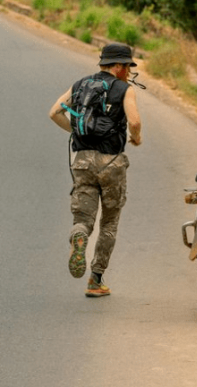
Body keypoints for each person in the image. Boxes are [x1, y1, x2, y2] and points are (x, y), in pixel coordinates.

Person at [49, 43, 142, 297]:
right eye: (128, 66)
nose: (129, 71)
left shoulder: (79, 84)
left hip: (81, 160)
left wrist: (77, 131)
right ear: (120, 67)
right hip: (111, 163)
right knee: (109, 222)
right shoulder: (125, 89)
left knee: (83, 219)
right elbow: (134, 121)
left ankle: (78, 236)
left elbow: (54, 112)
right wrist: (137, 137)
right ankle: (96, 279)